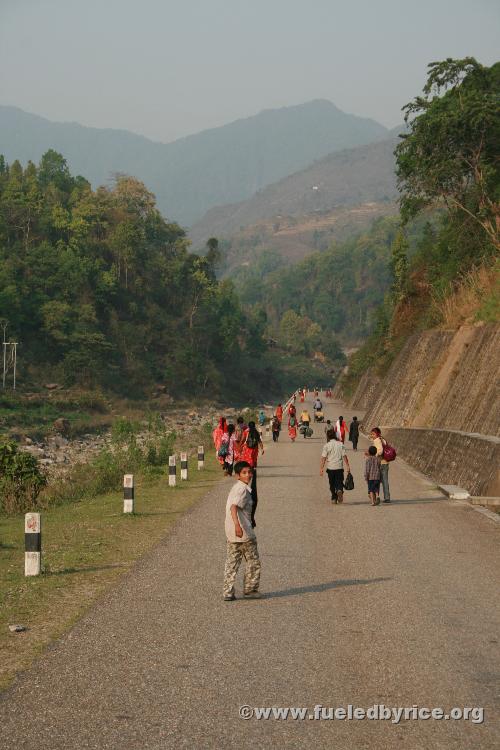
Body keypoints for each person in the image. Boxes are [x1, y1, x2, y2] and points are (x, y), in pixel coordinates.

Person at [223, 461, 261, 601]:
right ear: (237, 475)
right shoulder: (242, 490)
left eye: (249, 472)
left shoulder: (236, 488)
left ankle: (228, 592)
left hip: (232, 533)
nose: (248, 475)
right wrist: (238, 525)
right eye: (244, 473)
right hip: (243, 533)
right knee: (253, 562)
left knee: (232, 563)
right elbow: (233, 507)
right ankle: (250, 590)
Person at [242, 421, 264, 526]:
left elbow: (243, 440)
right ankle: (252, 468)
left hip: (248, 448)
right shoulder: (256, 431)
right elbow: (259, 441)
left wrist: (241, 445)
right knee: (253, 459)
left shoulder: (246, 431)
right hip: (254, 448)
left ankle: (248, 469)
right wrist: (262, 448)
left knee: (247, 458)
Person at [320, 428, 351, 504]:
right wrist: (348, 466)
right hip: (339, 467)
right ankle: (339, 490)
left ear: (328, 436)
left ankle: (334, 497)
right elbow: (344, 456)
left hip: (331, 468)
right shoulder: (340, 444)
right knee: (339, 481)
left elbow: (323, 458)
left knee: (332, 483)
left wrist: (321, 468)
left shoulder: (326, 446)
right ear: (335, 435)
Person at [370, 427, 391, 503]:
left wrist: (373, 455)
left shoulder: (377, 440)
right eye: (371, 434)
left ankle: (376, 497)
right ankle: (387, 497)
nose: (372, 435)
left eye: (373, 434)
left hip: (380, 463)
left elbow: (380, 451)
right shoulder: (382, 439)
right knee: (385, 481)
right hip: (386, 463)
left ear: (377, 434)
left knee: (376, 480)